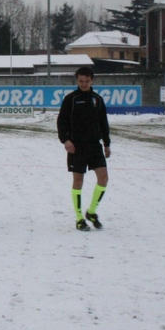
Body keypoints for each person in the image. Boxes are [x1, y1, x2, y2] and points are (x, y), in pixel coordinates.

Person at [57, 66, 111, 231]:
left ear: (92, 80)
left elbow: (103, 123)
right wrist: (65, 140)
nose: (84, 84)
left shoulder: (97, 99)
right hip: (76, 147)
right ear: (77, 80)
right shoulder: (71, 99)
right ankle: (79, 217)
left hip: (95, 146)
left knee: (103, 179)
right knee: (78, 182)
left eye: (87, 81)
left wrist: (107, 144)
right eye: (81, 81)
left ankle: (92, 212)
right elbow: (61, 122)